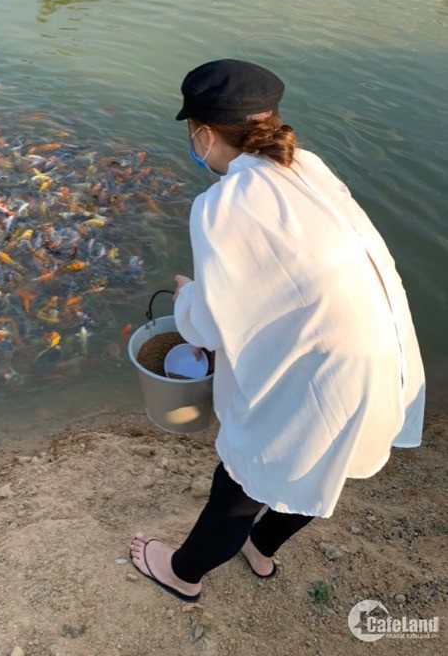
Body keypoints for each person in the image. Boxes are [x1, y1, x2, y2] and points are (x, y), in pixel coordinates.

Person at [130, 58, 426, 602]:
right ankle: (261, 547)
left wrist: (186, 295)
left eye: (193, 134)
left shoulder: (221, 204)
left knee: (242, 481)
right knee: (323, 468)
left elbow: (210, 326)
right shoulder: (307, 166)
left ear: (204, 133)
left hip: (326, 365)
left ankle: (181, 574)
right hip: (381, 353)